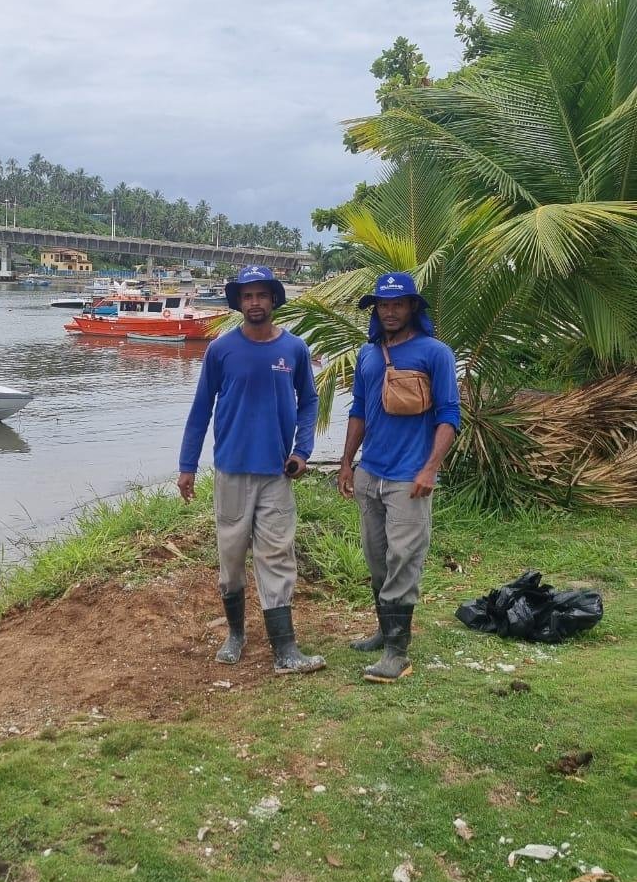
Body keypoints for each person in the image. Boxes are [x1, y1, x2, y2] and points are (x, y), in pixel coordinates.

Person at [178, 265, 325, 674]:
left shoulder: (293, 349)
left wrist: (304, 451)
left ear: (274, 300)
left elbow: (309, 402)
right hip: (231, 472)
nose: (255, 302)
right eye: (247, 296)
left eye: (262, 295)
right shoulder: (221, 350)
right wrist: (187, 465)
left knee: (278, 556)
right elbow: (200, 410)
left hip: (277, 474)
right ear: (238, 303)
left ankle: (286, 650)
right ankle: (236, 634)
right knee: (231, 557)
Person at [338, 273, 460, 683]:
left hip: (410, 477)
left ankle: (397, 653)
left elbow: (449, 415)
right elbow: (359, 410)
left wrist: (430, 468)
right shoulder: (368, 354)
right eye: (382, 305)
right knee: (377, 560)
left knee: (403, 560)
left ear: (413, 307)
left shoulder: (436, 353)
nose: (388, 311)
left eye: (397, 304)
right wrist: (346, 462)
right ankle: (383, 630)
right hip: (370, 472)